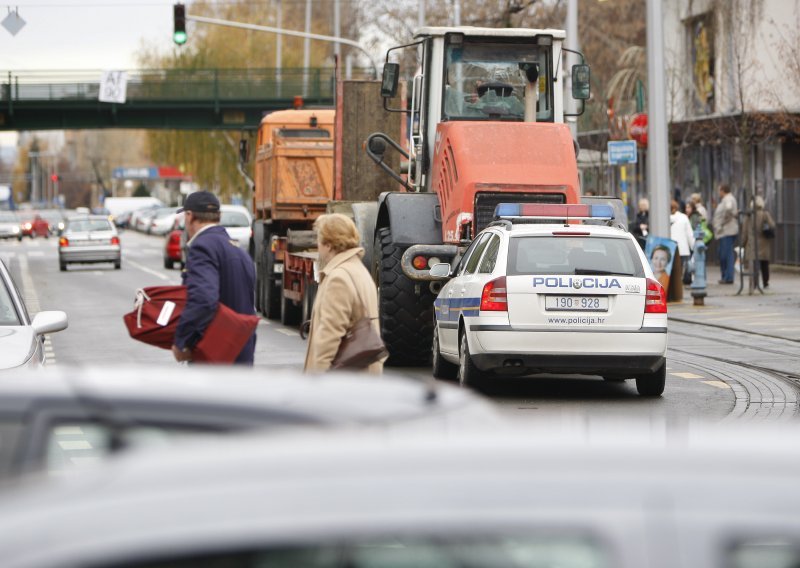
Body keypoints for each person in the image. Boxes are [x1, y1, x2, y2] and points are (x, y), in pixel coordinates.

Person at [172, 191, 256, 365]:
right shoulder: (238, 250)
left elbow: (203, 299)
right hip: (241, 354)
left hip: (214, 357)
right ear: (218, 216)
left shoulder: (202, 247)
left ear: (189, 216)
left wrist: (182, 340)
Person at [304, 213, 383, 374]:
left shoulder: (338, 278)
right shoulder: (359, 271)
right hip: (361, 377)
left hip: (340, 384)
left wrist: (315, 382)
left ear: (329, 244)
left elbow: (329, 338)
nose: (317, 246)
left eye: (319, 240)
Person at [741, 195, 776, 288]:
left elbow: (744, 231)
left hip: (752, 242)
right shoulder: (765, 214)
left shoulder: (749, 215)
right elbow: (772, 225)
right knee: (764, 264)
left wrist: (742, 243)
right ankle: (766, 282)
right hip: (764, 241)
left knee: (754, 263)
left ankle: (755, 283)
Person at [712, 183, 739, 284]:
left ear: (723, 190)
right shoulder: (727, 199)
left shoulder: (728, 199)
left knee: (726, 254)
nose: (719, 193)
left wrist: (722, 222)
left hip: (727, 230)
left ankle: (728, 277)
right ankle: (726, 276)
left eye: (719, 190)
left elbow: (728, 209)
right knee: (723, 253)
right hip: (724, 231)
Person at [670, 199, 695, 284]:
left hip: (670, 249)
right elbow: (690, 234)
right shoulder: (684, 217)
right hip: (683, 250)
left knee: (671, 272)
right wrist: (693, 247)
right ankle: (679, 286)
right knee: (681, 271)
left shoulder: (663, 219)